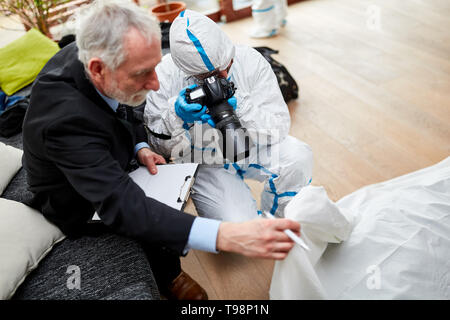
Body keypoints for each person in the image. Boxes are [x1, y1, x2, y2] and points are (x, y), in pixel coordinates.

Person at [21, 0, 300, 301]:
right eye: (143, 74)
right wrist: (224, 236)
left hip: (107, 151)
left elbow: (123, 110)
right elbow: (121, 206)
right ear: (98, 69)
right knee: (147, 211)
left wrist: (140, 145)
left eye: (156, 67)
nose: (155, 85)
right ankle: (171, 275)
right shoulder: (65, 122)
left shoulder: (93, 53)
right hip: (75, 197)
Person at [144, 10, 313, 222]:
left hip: (252, 146)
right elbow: (159, 150)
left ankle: (278, 223)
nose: (220, 79)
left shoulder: (250, 60)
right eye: (206, 78)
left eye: (226, 67)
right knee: (238, 226)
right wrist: (176, 116)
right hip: (204, 160)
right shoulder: (164, 76)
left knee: (298, 157)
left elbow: (278, 129)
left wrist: (242, 107)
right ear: (185, 70)